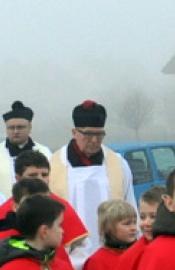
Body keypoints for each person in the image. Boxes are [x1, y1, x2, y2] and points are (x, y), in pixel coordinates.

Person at [49, 100, 135, 261]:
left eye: (99, 134)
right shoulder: (54, 165)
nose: (94, 140)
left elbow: (130, 206)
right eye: (88, 134)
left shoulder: (117, 163)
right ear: (74, 132)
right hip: (69, 254)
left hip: (112, 255)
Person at [0, 150, 90, 269]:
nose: (40, 179)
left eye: (44, 174)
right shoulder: (5, 211)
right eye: (33, 175)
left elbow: (81, 248)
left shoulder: (62, 207)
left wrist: (58, 269)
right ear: (18, 178)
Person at [0, 101, 52, 191]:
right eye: (11, 127)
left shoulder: (44, 152)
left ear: (30, 128)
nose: (15, 131)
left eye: (20, 127)